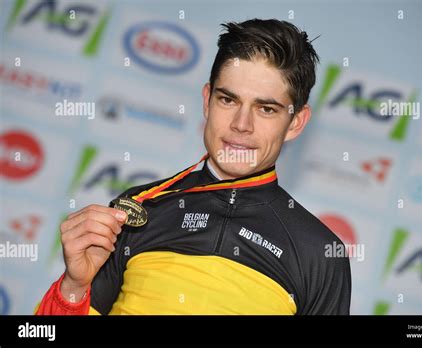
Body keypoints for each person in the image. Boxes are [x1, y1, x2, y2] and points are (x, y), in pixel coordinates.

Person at [35, 18, 351, 315]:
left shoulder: (320, 253)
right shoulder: (138, 208)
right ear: (206, 100)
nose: (241, 124)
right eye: (228, 100)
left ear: (295, 122)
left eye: (266, 109)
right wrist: (73, 289)